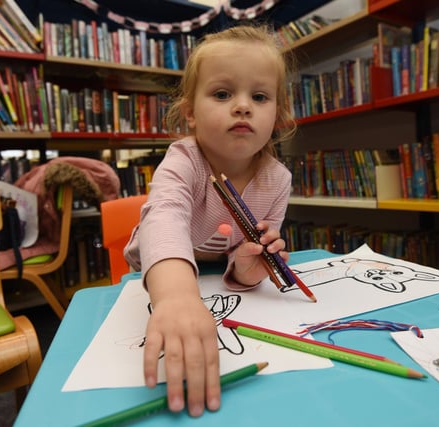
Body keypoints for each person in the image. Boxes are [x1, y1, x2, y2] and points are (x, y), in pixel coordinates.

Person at [124, 24, 296, 417]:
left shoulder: (278, 179)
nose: (242, 106)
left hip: (217, 276)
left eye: (259, 96)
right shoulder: (184, 159)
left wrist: (252, 267)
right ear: (191, 113)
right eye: (222, 94)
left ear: (278, 114)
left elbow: (246, 262)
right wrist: (177, 296)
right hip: (160, 271)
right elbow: (165, 215)